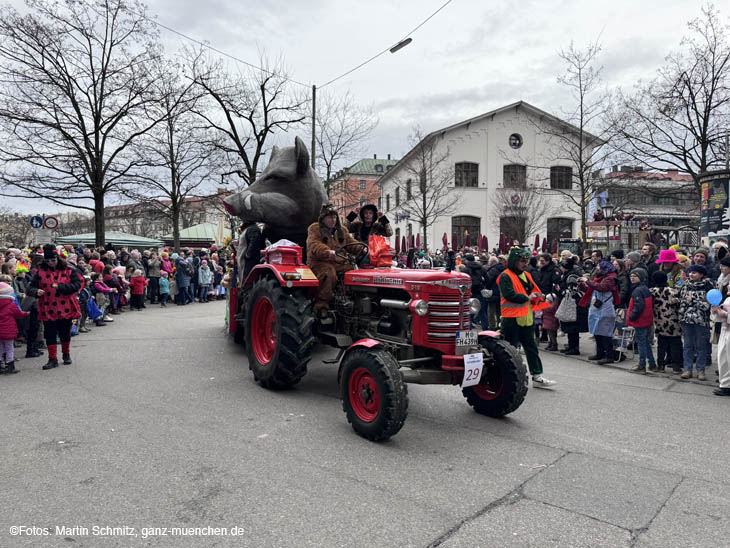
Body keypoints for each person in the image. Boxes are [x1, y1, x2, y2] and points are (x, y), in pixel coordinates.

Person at [498, 246, 556, 388]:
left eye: (526, 260)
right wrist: (528, 297)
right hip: (511, 319)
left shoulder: (527, 275)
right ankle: (507, 377)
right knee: (510, 350)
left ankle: (537, 375)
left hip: (527, 317)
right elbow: (509, 295)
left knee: (531, 348)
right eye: (522, 260)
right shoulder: (505, 276)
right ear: (514, 261)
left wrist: (540, 296)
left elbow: (533, 290)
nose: (525, 263)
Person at [27, 244, 83, 370]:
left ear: (57, 258)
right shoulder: (40, 272)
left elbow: (77, 285)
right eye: (48, 261)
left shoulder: (69, 270)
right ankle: (52, 359)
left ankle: (66, 354)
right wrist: (36, 291)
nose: (51, 263)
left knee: (64, 332)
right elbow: (30, 288)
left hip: (66, 307)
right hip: (48, 307)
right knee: (50, 334)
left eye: (53, 260)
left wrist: (61, 287)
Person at [307, 204, 359, 316]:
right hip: (320, 263)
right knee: (328, 272)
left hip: (340, 263)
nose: (333, 220)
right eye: (330, 217)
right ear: (323, 218)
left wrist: (364, 249)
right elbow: (313, 244)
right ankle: (321, 306)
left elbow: (352, 243)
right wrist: (327, 252)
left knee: (355, 273)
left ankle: (352, 302)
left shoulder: (342, 231)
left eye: (335, 217)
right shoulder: (315, 229)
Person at [579, 260, 620, 365]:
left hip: (606, 309)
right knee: (597, 332)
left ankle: (609, 356)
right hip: (597, 308)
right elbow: (591, 289)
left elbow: (601, 288)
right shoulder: (600, 278)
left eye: (598, 266)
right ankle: (599, 353)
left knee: (605, 333)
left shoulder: (610, 279)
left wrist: (587, 281)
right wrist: (582, 284)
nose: (597, 268)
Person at [678, 265, 713, 380]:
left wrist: (692, 300)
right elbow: (681, 301)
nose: (691, 275)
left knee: (701, 346)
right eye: (690, 272)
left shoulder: (707, 286)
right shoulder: (685, 285)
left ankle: (700, 370)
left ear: (701, 275)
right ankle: (687, 369)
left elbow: (707, 306)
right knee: (687, 345)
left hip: (701, 320)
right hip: (686, 319)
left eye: (694, 273)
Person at [651, 271, 682, 374]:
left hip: (659, 322)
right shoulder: (673, 291)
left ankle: (660, 365)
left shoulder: (653, 292)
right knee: (675, 344)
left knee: (661, 344)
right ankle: (676, 366)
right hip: (674, 321)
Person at [626, 269, 656, 373]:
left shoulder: (638, 290)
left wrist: (631, 317)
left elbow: (639, 306)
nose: (632, 278)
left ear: (641, 277)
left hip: (640, 321)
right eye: (631, 276)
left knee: (641, 343)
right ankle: (652, 363)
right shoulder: (644, 288)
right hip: (646, 320)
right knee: (646, 342)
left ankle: (642, 365)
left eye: (635, 276)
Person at [558, 257, 588, 355]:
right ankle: (571, 346)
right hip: (574, 303)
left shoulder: (571, 276)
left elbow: (572, 291)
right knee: (570, 326)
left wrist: (561, 290)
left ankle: (574, 348)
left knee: (573, 326)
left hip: (573, 304)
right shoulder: (571, 274)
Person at [0, 282, 29, 375]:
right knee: (9, 348)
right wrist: (26, 313)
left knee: (0, 348)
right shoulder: (11, 305)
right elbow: (18, 314)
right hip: (8, 331)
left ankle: (0, 365)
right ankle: (10, 366)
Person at [463, 254, 488, 329]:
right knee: (482, 312)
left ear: (467, 260)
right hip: (479, 291)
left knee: (468, 312)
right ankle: (485, 330)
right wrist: (483, 285)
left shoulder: (465, 270)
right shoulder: (481, 268)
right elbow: (488, 279)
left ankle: (468, 330)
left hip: (469, 293)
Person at [712, 294, 730, 396]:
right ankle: (725, 385)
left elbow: (726, 315)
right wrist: (716, 312)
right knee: (723, 358)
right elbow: (718, 318)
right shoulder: (727, 299)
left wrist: (727, 315)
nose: (728, 286)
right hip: (725, 329)